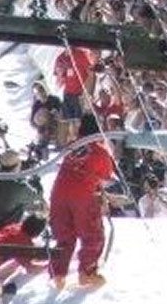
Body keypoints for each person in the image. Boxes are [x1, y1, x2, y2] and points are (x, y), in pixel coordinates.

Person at [48, 114, 115, 290]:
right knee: (92, 235)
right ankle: (87, 272)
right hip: (83, 196)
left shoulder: (73, 146)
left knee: (63, 236)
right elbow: (106, 175)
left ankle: (58, 275)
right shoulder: (100, 150)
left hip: (58, 194)